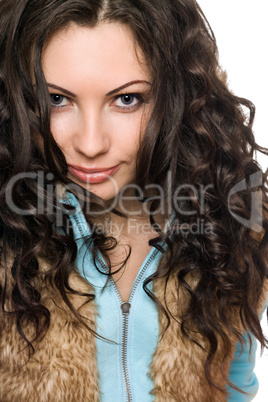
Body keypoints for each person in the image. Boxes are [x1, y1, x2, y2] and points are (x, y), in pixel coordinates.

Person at [0, 0, 267, 401]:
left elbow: (235, 384)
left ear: (178, 95)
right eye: (57, 99)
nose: (90, 144)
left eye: (126, 99)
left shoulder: (236, 226)